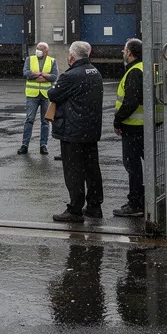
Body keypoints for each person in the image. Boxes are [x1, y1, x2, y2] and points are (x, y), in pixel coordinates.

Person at [47, 41, 104, 223]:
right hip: (91, 128)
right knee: (92, 169)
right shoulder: (95, 72)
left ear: (71, 57)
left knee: (73, 171)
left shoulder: (70, 76)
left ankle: (75, 209)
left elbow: (53, 94)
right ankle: (94, 205)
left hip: (73, 130)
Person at [112, 38, 160, 221]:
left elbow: (131, 101)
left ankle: (136, 203)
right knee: (148, 164)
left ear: (130, 53)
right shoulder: (148, 67)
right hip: (149, 124)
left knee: (133, 166)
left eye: (125, 50)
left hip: (134, 127)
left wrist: (118, 120)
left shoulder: (134, 72)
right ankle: (148, 199)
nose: (124, 53)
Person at [20, 42, 57, 155]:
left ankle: (43, 145)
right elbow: (26, 73)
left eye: (40, 49)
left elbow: (54, 76)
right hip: (32, 94)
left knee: (45, 122)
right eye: (37, 48)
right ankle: (24, 145)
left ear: (46, 51)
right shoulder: (29, 59)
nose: (38, 51)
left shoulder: (52, 61)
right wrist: (42, 75)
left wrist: (41, 75)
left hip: (46, 95)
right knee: (29, 119)